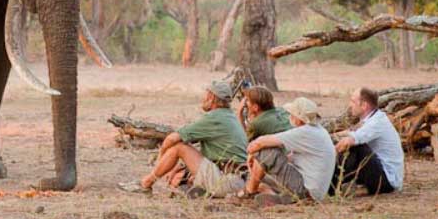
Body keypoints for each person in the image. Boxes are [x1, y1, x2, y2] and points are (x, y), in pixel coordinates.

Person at [118, 80, 247, 197]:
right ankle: (196, 187)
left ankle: (145, 184)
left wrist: (161, 156)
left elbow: (172, 139)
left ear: (211, 97)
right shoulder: (229, 116)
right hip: (238, 181)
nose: (203, 98)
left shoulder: (214, 118)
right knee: (182, 162)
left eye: (205, 94)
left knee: (179, 148)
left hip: (227, 182)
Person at [244, 97, 336, 206]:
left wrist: (252, 154)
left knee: (267, 152)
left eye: (292, 114)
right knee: (262, 176)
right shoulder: (319, 130)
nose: (290, 117)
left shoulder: (304, 132)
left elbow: (260, 143)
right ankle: (277, 195)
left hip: (307, 190)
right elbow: (290, 158)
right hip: (314, 191)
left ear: (299, 119)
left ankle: (248, 193)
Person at [331, 88, 404, 195]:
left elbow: (350, 140)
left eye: (353, 101)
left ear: (364, 105)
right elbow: (349, 132)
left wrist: (327, 155)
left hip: (388, 181)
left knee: (357, 147)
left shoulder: (377, 122)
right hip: (380, 173)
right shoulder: (372, 118)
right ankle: (334, 182)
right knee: (354, 145)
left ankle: (331, 183)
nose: (350, 105)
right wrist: (328, 137)